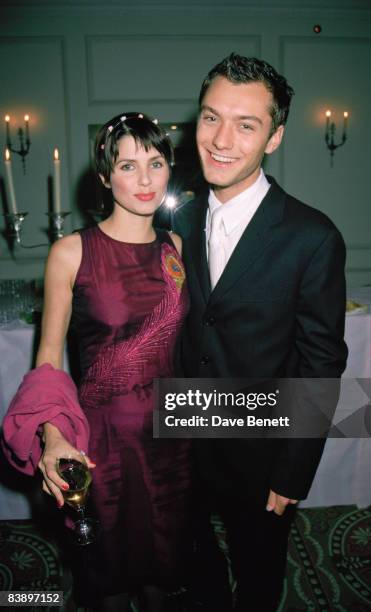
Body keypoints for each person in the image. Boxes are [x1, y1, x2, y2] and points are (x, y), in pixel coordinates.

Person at [173, 53, 348, 612]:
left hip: (261, 451)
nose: (221, 139)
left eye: (246, 124)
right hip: (177, 437)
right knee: (192, 561)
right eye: (210, 117)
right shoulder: (172, 218)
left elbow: (320, 365)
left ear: (274, 137)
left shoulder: (312, 236)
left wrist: (293, 471)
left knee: (258, 572)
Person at [7, 113, 191, 612]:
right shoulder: (70, 252)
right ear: (105, 177)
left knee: (162, 575)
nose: (147, 179)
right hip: (104, 445)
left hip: (171, 442)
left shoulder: (175, 248)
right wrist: (52, 434)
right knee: (108, 578)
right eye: (128, 165)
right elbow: (47, 358)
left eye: (156, 163)